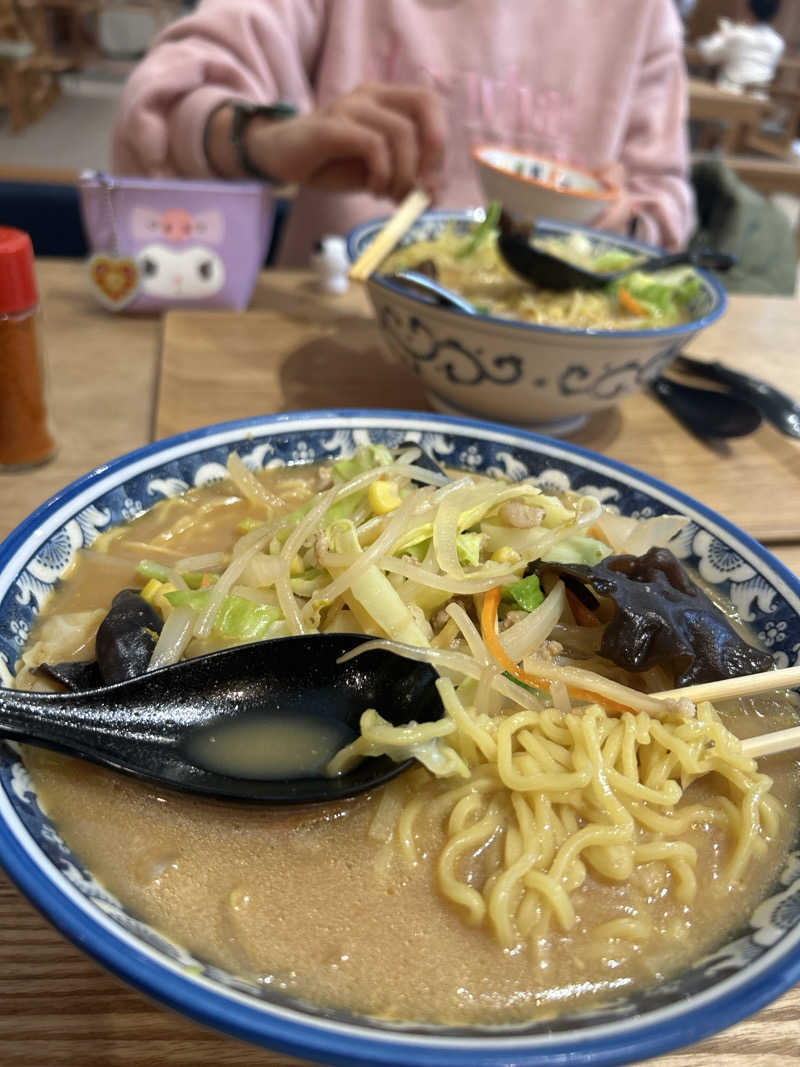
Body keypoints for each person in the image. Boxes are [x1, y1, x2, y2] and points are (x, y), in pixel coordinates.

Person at [113, 0, 695, 266]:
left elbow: (666, 208)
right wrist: (263, 141)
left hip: (555, 352)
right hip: (334, 319)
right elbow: (161, 107)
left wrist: (612, 220)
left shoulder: (642, 13)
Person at [696, 0, 784, 97]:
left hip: (729, 94)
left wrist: (721, 34)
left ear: (749, 10)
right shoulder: (778, 42)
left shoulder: (738, 34)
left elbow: (708, 55)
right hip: (757, 98)